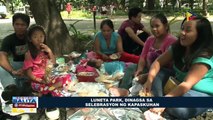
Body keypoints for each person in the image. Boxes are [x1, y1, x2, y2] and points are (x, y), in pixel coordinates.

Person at [143, 16, 213, 119]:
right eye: (182, 29)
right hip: (178, 84)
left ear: (200, 35)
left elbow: (186, 84)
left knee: (178, 109)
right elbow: (157, 62)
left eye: (188, 30)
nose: (182, 33)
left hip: (200, 93)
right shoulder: (178, 47)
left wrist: (165, 101)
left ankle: (160, 103)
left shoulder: (204, 56)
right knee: (157, 73)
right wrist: (149, 81)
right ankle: (158, 103)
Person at [119, 13, 177, 89]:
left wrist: (147, 76)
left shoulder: (172, 41)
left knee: (157, 76)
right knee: (131, 68)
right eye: (152, 27)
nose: (154, 29)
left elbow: (163, 64)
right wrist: (140, 69)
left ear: (165, 26)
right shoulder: (150, 39)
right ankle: (123, 91)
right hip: (148, 69)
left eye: (157, 26)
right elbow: (143, 56)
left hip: (163, 72)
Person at [22, 25, 71, 97]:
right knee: (47, 86)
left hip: (47, 78)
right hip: (37, 81)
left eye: (41, 36)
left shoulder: (45, 51)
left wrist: (49, 51)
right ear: (30, 39)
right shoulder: (28, 54)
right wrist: (40, 80)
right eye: (35, 37)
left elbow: (53, 63)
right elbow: (29, 74)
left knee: (67, 77)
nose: (39, 39)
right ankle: (48, 91)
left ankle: (48, 90)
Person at [0, 13, 30, 89]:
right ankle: (11, 88)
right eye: (17, 24)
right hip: (17, 65)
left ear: (27, 26)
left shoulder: (32, 37)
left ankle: (29, 84)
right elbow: (2, 56)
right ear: (13, 25)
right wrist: (13, 71)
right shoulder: (8, 39)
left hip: (32, 64)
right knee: (1, 68)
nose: (19, 27)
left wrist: (27, 68)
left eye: (23, 25)